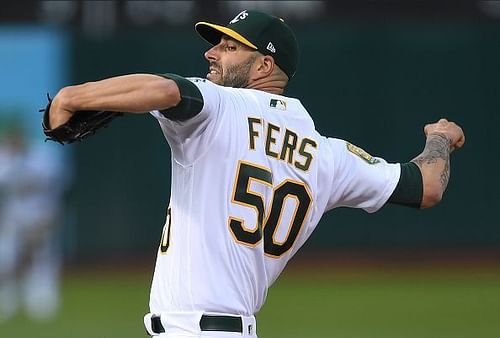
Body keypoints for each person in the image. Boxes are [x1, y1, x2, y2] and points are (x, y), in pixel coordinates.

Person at [45, 9, 465, 338]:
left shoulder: (220, 107)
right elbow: (426, 185)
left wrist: (72, 96)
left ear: (264, 66)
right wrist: (440, 138)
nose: (212, 53)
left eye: (229, 48)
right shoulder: (327, 154)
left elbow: (167, 90)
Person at [0, 120, 69, 322]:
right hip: (13, 218)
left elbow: (55, 183)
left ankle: (42, 302)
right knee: (7, 259)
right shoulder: (5, 157)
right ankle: (7, 300)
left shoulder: (41, 155)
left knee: (42, 260)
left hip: (41, 216)